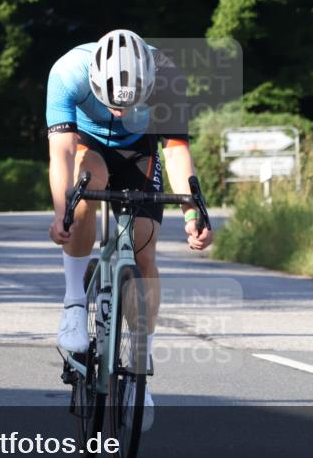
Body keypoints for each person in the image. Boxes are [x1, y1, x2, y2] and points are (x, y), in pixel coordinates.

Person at [46, 29, 214, 425]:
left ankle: (139, 369)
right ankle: (73, 301)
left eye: (130, 102)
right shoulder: (68, 72)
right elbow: (62, 153)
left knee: (143, 247)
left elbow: (176, 151)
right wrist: (60, 213)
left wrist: (193, 215)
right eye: (112, 103)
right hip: (87, 143)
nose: (119, 111)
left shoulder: (169, 78)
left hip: (141, 149)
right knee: (85, 188)